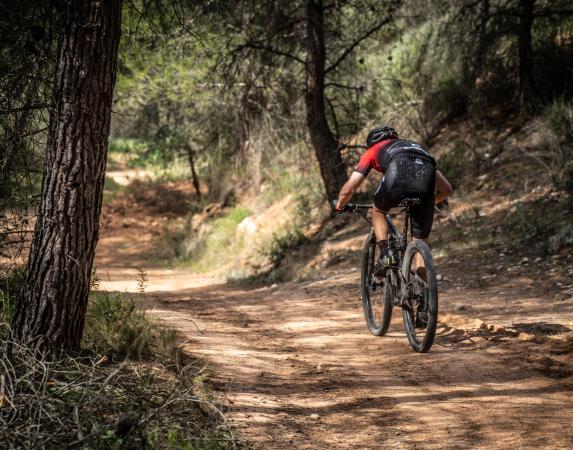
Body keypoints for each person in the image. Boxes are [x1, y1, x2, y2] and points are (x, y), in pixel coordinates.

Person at [334, 126, 452, 277]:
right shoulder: (418, 148)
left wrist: (340, 205)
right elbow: (446, 189)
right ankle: (423, 295)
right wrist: (428, 203)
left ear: (372, 142)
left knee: (378, 210)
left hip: (397, 173)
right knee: (420, 243)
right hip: (426, 179)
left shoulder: (373, 150)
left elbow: (348, 189)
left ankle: (386, 255)